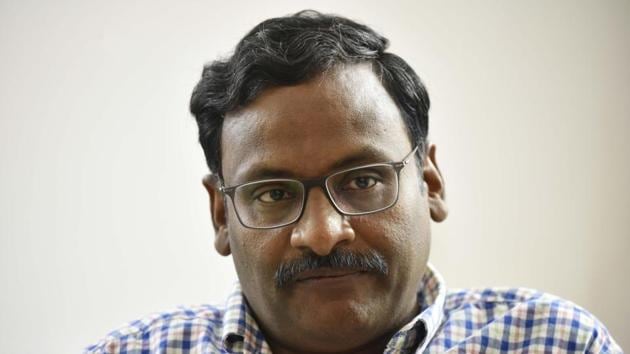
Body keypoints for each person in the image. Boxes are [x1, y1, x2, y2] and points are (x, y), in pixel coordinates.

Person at [86, 10, 622, 354]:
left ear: (430, 183)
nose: (323, 234)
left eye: (363, 180)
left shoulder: (556, 343)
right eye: (272, 193)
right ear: (221, 215)